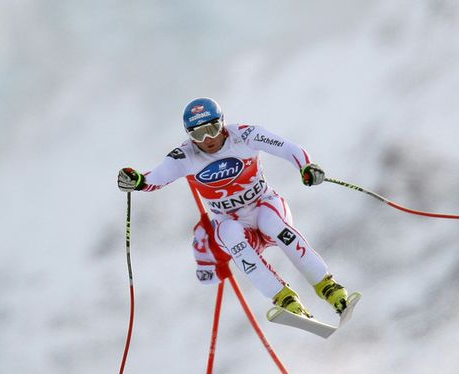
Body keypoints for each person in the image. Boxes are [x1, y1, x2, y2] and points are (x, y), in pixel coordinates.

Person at [117, 97, 349, 318]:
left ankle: (328, 287)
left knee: (273, 224)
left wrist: (305, 167)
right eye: (198, 133)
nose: (208, 138)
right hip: (234, 223)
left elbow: (289, 148)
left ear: (222, 123)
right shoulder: (185, 155)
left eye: (213, 128)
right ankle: (284, 298)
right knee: (228, 234)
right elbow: (156, 177)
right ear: (189, 135)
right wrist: (137, 181)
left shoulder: (245, 135)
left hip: (264, 205)